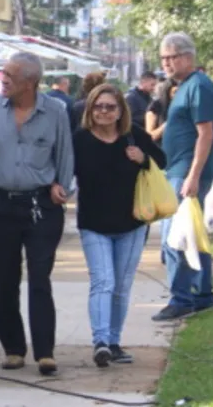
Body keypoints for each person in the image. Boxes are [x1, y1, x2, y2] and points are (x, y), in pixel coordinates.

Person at [0, 52, 74, 376]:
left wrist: (62, 186)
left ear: (30, 82)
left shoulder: (55, 111)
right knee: (2, 280)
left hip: (40, 206)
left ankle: (45, 352)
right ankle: (13, 348)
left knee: (39, 277)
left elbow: (65, 154)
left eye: (10, 75)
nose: (2, 79)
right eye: (3, 73)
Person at [73, 84, 166, 367]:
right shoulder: (80, 139)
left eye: (110, 107)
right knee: (103, 281)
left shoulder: (133, 136)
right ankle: (100, 341)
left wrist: (143, 158)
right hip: (94, 224)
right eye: (98, 106)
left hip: (132, 223)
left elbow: (162, 161)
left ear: (120, 111)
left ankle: (113, 342)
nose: (103, 111)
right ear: (90, 109)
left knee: (121, 286)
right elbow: (63, 170)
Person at [152, 32, 213, 322]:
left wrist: (193, 175)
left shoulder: (199, 86)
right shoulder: (182, 87)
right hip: (177, 169)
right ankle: (202, 294)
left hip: (186, 173)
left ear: (188, 56)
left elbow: (206, 133)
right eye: (163, 58)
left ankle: (181, 299)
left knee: (174, 239)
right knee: (191, 233)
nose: (167, 63)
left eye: (172, 57)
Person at [145, 79, 177, 144]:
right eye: (175, 92)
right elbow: (150, 136)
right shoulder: (156, 106)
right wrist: (168, 124)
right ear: (167, 92)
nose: (177, 95)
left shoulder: (183, 105)